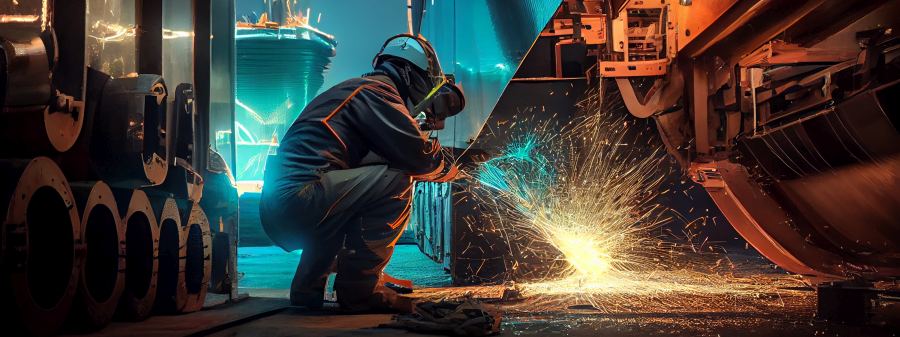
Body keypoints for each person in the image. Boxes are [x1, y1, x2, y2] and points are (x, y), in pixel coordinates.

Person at [259, 34, 465, 312]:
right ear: (409, 75)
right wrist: (457, 170)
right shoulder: (377, 93)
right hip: (299, 200)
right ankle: (361, 290)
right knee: (397, 179)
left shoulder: (357, 90)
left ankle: (307, 290)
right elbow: (418, 158)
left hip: (283, 208)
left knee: (350, 197)